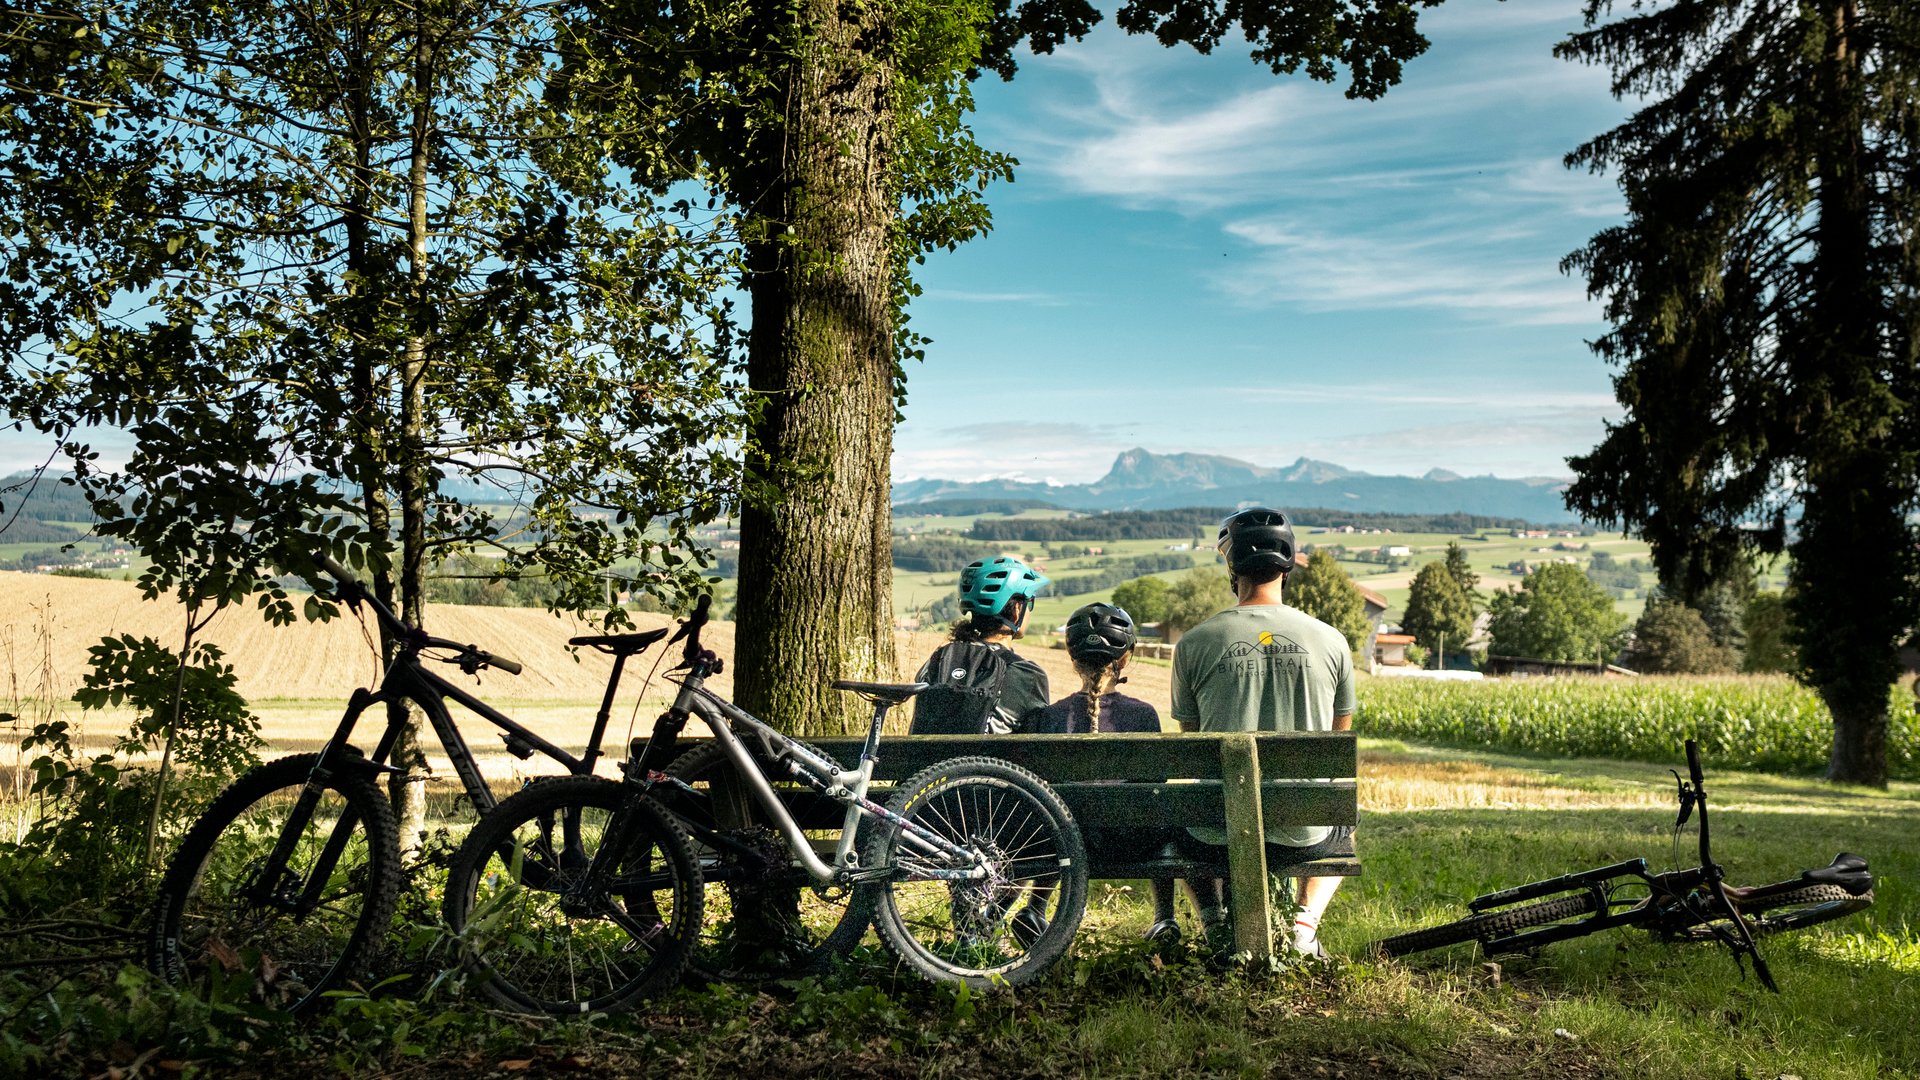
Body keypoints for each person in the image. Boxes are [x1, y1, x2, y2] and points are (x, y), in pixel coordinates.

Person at [1169, 507, 1355, 960]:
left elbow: (1192, 741)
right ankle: (1303, 928)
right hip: (1303, 826)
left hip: (1217, 828)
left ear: (1231, 567)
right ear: (1287, 565)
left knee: (1181, 812)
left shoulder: (1193, 643)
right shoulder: (1331, 641)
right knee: (1343, 814)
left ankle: (1214, 923)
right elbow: (1337, 738)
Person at [1022, 602, 1181, 941]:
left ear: (1072, 657)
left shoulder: (1049, 717)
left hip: (1064, 842)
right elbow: (1154, 786)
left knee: (1054, 811)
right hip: (1131, 844)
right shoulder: (1144, 716)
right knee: (1161, 813)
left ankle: (1036, 908)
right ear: (1125, 658)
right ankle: (1164, 916)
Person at [909, 555, 1051, 735]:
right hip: (989, 763)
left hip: (928, 762)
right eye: (1029, 603)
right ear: (1017, 610)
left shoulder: (938, 661)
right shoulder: (1027, 674)